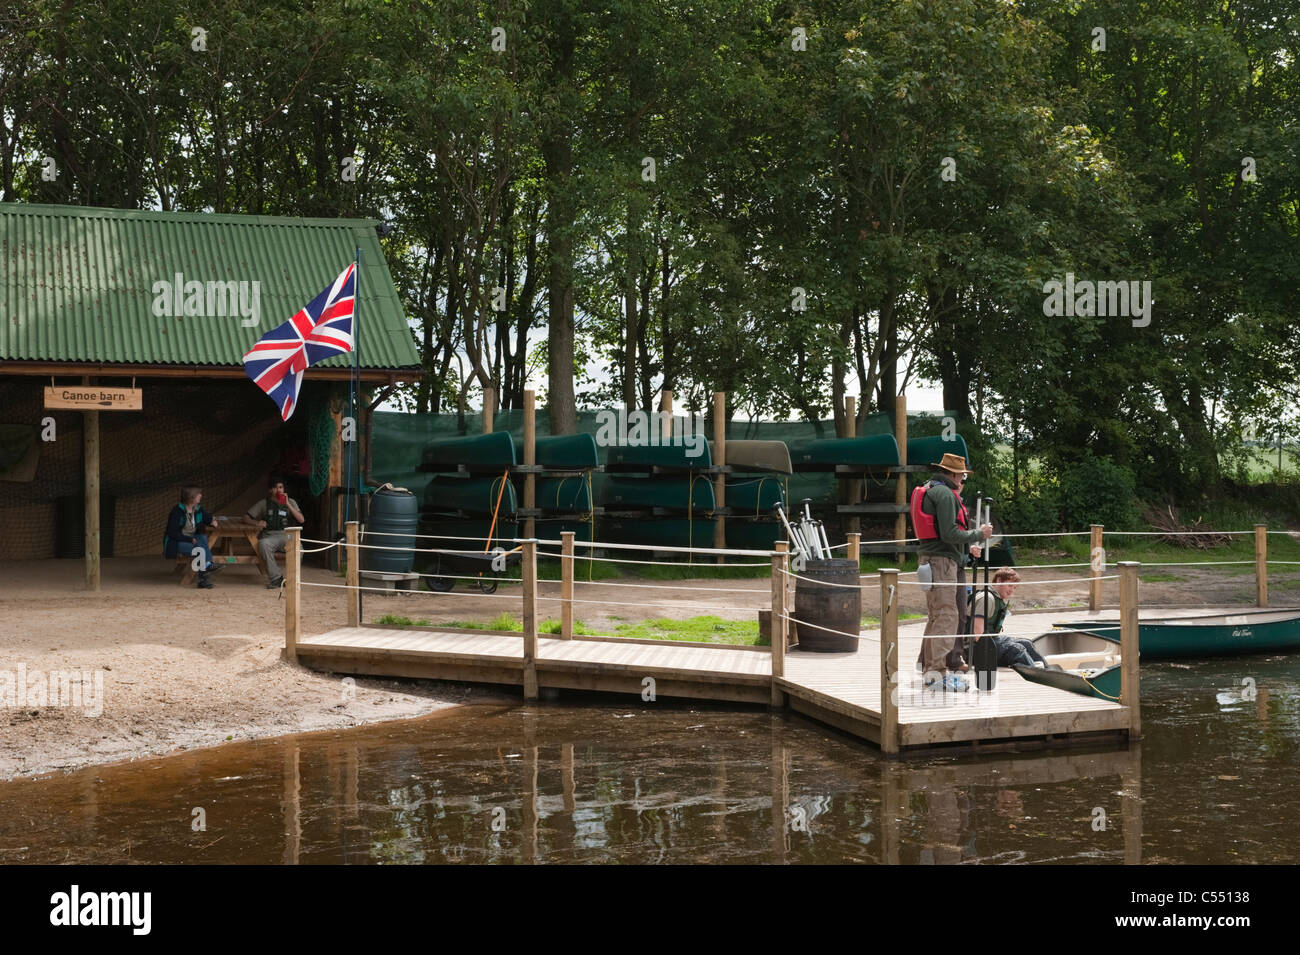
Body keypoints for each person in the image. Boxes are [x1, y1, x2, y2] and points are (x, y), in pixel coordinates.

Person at [911, 453, 992, 691]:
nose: (963, 479)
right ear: (956, 474)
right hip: (942, 563)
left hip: (932, 559)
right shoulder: (945, 494)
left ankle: (929, 670)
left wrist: (968, 545)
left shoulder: (929, 489)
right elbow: (949, 534)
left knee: (936, 616)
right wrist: (979, 533)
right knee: (947, 616)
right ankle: (937, 674)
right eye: (963, 475)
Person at [969, 568, 1051, 668]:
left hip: (991, 639)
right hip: (975, 649)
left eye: (1014, 588)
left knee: (1027, 643)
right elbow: (977, 632)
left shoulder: (997, 598)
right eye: (1010, 585)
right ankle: (1036, 673)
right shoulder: (987, 599)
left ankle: (1048, 670)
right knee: (1016, 649)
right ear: (999, 580)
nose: (1012, 590)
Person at [245, 475, 304, 589]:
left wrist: (287, 504)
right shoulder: (264, 503)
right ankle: (276, 578)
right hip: (269, 536)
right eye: (276, 488)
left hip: (286, 535)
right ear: (270, 490)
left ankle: (291, 579)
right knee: (263, 544)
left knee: (299, 548)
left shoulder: (291, 501)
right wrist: (257, 523)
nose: (279, 490)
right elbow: (246, 517)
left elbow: (301, 519)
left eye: (281, 487)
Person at [163, 486, 220, 589]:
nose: (201, 496)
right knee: (200, 550)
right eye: (198, 494)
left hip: (193, 539)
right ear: (191, 497)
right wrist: (189, 539)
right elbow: (172, 533)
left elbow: (206, 517)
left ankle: (206, 568)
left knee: (202, 538)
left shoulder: (197, 508)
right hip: (177, 541)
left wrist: (212, 521)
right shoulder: (177, 511)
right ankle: (204, 577)